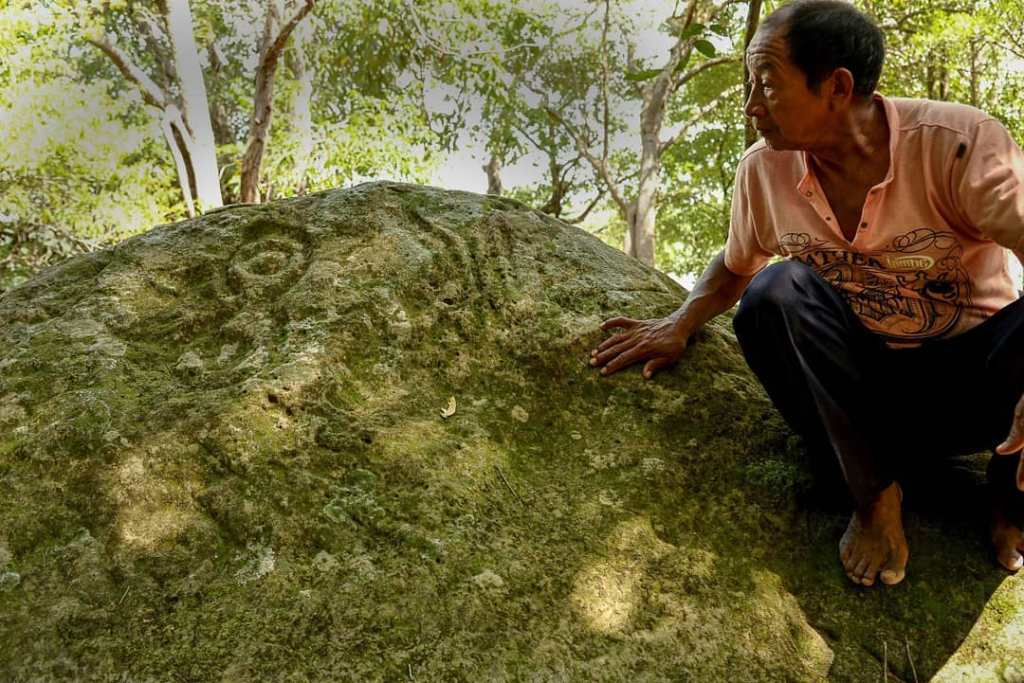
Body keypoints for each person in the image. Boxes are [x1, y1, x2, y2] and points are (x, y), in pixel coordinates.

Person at [589, 0, 1024, 587]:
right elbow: (738, 266)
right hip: (855, 399)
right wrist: (679, 323)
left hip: (973, 391)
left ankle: (1010, 500)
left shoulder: (958, 144)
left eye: (767, 84)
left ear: (837, 87)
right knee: (774, 291)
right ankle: (875, 497)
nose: (751, 106)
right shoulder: (764, 171)